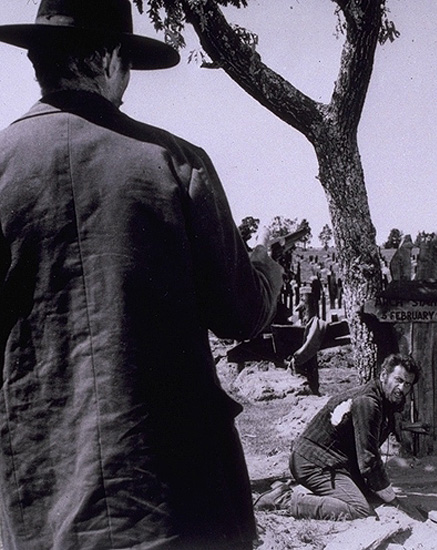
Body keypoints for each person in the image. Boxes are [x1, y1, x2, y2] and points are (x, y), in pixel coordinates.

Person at [0, 1, 283, 549]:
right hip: (174, 501)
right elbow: (241, 314)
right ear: (110, 60)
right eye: (127, 65)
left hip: (40, 505)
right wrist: (267, 269)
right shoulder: (176, 163)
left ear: (37, 60)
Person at [255, 353, 419, 520]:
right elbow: (368, 459)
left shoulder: (385, 401)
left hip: (335, 462)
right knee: (360, 510)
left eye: (407, 384)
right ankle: (284, 499)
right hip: (313, 462)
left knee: (373, 497)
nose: (401, 388)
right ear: (384, 376)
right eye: (398, 380)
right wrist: (393, 499)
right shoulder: (368, 402)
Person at [287, 286, 328, 395]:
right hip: (307, 331)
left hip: (307, 333)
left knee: (309, 360)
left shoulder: (311, 316)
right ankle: (312, 385)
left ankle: (312, 386)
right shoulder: (310, 310)